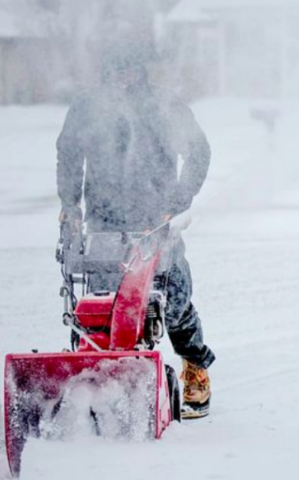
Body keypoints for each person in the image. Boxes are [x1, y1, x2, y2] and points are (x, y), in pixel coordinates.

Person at [56, 46, 215, 419]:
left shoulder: (164, 106)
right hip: (103, 221)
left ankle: (195, 367)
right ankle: (95, 380)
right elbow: (68, 153)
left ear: (140, 71)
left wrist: (175, 203)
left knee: (172, 300)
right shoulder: (87, 108)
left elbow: (198, 152)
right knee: (100, 305)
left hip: (156, 220)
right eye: (115, 71)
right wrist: (70, 205)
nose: (122, 78)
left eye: (128, 70)